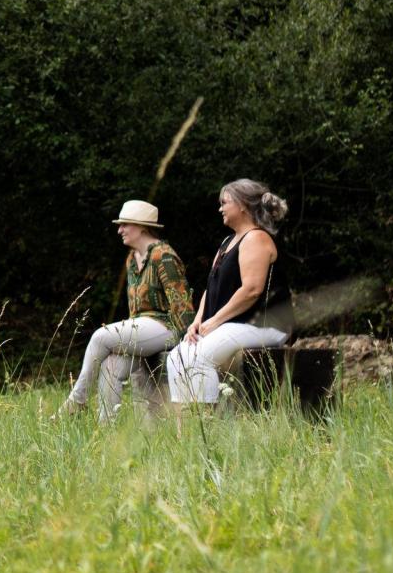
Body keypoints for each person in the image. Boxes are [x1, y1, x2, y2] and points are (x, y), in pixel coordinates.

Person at [58, 199, 195, 421]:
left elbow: (182, 303)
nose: (120, 230)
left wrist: (187, 342)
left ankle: (78, 400)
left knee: (101, 336)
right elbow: (136, 312)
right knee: (111, 365)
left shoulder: (163, 255)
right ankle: (106, 432)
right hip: (143, 330)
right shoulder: (132, 258)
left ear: (141, 227)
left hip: (167, 328)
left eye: (125, 225)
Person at [166, 178, 294, 407]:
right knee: (176, 357)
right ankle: (185, 428)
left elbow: (252, 290)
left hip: (264, 325)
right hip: (232, 325)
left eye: (224, 202)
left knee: (197, 357)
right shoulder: (227, 242)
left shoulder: (256, 238)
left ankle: (207, 423)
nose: (220, 208)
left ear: (242, 204)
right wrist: (196, 323)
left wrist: (214, 321)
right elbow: (211, 287)